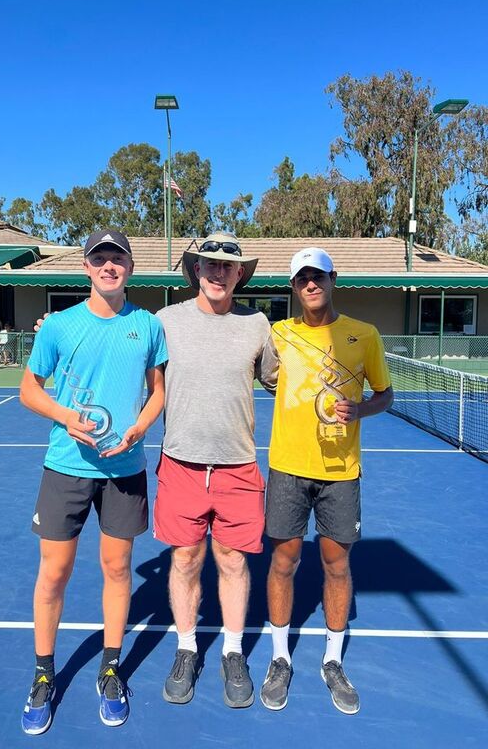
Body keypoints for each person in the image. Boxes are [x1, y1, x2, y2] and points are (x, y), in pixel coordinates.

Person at [19, 229, 167, 735]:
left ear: (130, 267)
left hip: (124, 470)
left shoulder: (147, 326)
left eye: (118, 258)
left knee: (117, 568)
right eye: (100, 258)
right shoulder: (59, 327)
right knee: (55, 572)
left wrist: (141, 428)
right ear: (86, 267)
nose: (109, 266)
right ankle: (43, 675)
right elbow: (28, 391)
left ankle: (109, 669)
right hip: (66, 467)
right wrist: (65, 416)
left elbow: (157, 393)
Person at [260, 247, 393, 715]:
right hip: (287, 468)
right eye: (302, 279)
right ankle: (280, 658)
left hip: (341, 474)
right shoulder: (278, 335)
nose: (310, 285)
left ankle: (332, 661)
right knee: (284, 563)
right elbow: (266, 376)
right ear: (294, 288)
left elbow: (386, 394)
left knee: (336, 565)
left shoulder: (364, 335)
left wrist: (361, 409)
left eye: (318, 276)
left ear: (333, 279)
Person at [154, 233, 277, 709]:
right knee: (185, 560)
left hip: (238, 468)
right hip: (181, 464)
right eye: (209, 264)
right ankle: (186, 648)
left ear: (240, 274)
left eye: (229, 265)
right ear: (195, 271)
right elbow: (137, 371)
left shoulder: (258, 325)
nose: (219, 271)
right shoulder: (166, 322)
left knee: (231, 561)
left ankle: (231, 651)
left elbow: (279, 381)